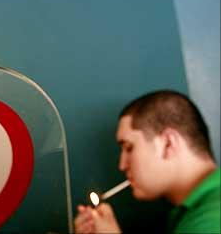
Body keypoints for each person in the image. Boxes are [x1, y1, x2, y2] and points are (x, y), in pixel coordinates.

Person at [74, 90, 220, 233]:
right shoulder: (194, 211)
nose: (122, 165)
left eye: (129, 148)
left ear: (168, 143)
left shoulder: (210, 219)